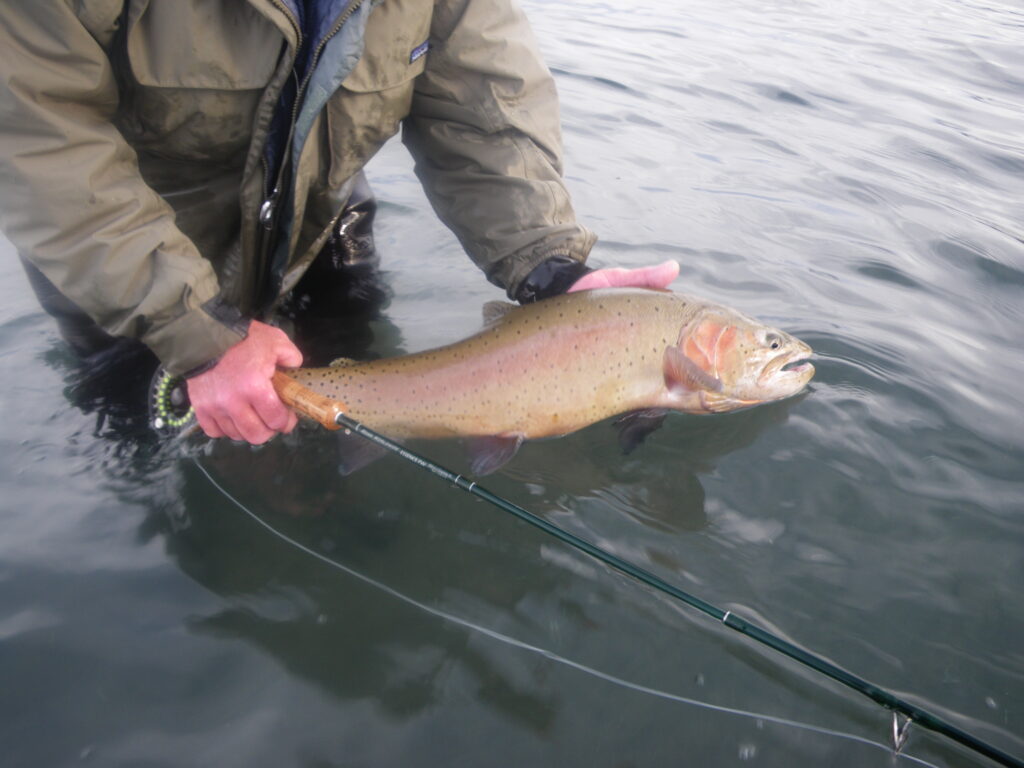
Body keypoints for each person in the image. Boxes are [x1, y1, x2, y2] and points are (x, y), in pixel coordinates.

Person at [0, 0, 678, 446]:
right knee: (147, 450)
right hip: (116, 256)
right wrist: (194, 331)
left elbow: (484, 112)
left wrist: (550, 267)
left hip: (317, 229)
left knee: (346, 420)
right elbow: (34, 134)